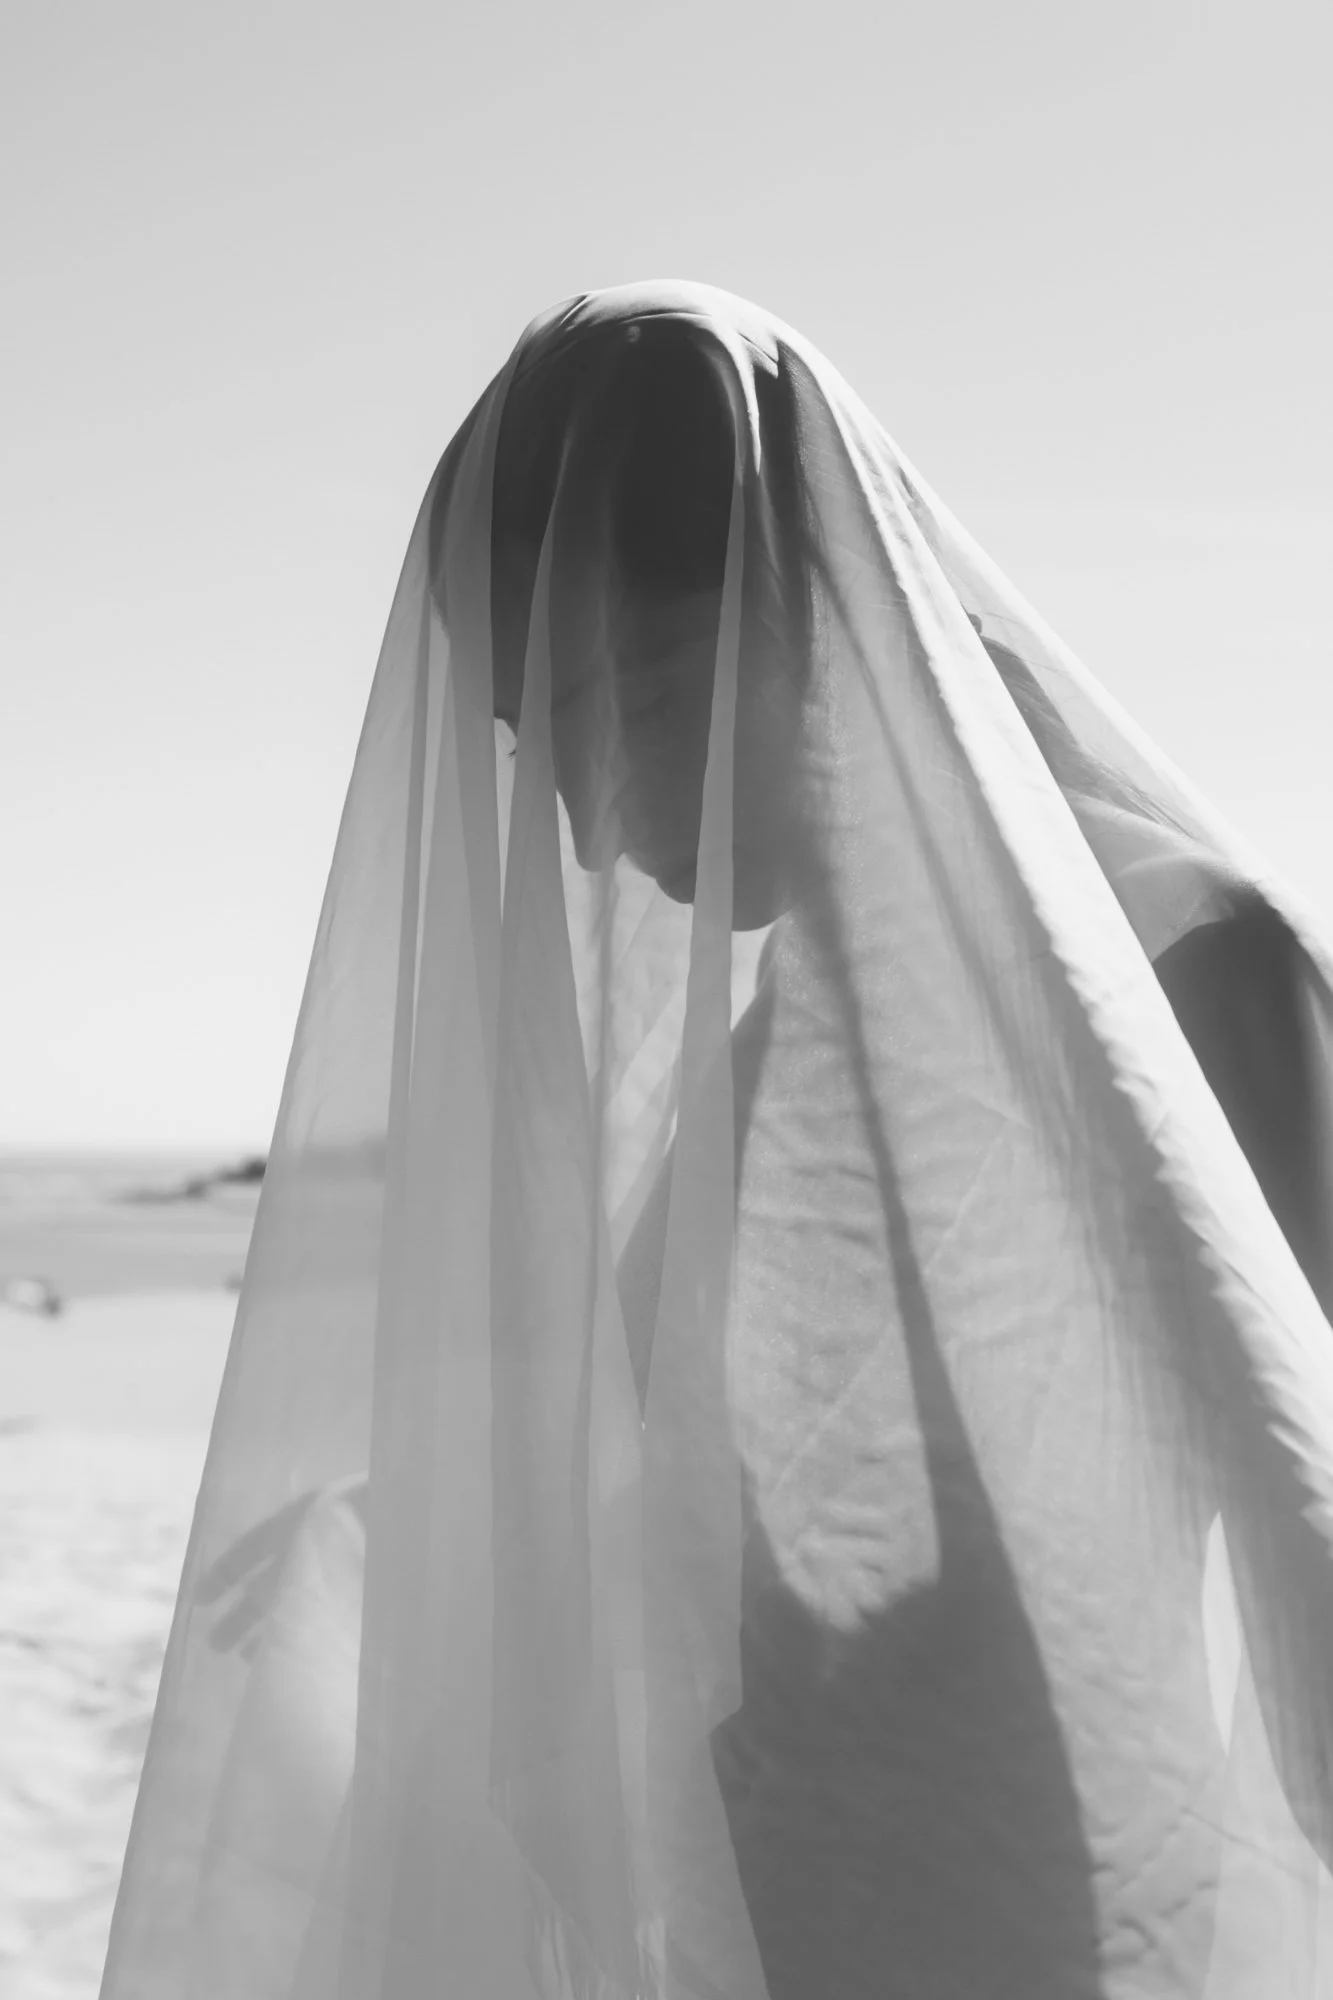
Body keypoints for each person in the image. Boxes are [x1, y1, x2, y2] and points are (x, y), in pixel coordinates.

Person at [103, 284, 1333, 2000]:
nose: (590, 815)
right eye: (539, 744)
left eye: (631, 700)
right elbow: (656, 1497)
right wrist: (393, 1529)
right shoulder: (763, 1066)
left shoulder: (1196, 983)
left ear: (817, 612)